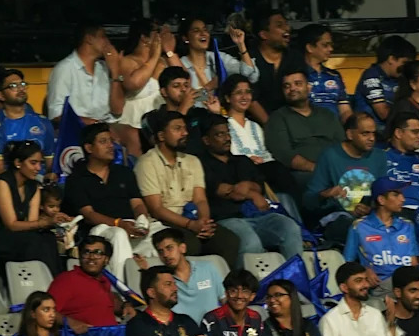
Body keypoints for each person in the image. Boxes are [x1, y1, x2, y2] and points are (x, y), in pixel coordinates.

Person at [135, 111, 239, 265]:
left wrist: (204, 222)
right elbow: (156, 208)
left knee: (229, 241)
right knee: (191, 245)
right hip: (165, 223)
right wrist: (191, 225)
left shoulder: (192, 161)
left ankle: (221, 285)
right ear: (162, 136)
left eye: (184, 128)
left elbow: (200, 199)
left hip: (193, 219)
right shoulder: (146, 163)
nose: (185, 133)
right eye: (177, 129)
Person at [194, 115, 303, 262]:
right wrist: (253, 194)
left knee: (290, 228)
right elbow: (224, 191)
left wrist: (249, 189)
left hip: (258, 216)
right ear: (206, 140)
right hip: (227, 219)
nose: (227, 138)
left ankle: (296, 279)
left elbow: (258, 186)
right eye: (220, 134)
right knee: (251, 243)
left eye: (228, 133)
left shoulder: (242, 160)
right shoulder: (200, 164)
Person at [62, 125, 151, 272]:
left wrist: (142, 219)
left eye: (111, 141)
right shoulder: (76, 179)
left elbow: (137, 203)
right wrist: (119, 224)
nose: (111, 145)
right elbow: (89, 215)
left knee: (163, 235)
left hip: (130, 225)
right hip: (100, 230)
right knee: (118, 235)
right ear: (89, 148)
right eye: (103, 141)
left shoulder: (124, 172)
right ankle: (123, 292)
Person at [305, 109, 387, 243]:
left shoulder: (379, 156)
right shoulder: (330, 156)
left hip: (372, 217)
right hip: (339, 219)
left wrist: (371, 208)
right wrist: (326, 193)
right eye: (365, 134)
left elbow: (383, 194)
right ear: (350, 134)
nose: (372, 138)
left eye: (373, 133)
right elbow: (309, 201)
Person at [265, 68, 343, 201]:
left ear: (309, 87)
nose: (292, 89)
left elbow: (343, 145)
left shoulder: (327, 115)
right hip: (303, 174)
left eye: (298, 83)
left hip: (335, 169)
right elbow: (285, 154)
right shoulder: (277, 118)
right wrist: (318, 170)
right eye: (287, 86)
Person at [0, 141, 54, 272]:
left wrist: (51, 221)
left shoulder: (34, 186)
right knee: (33, 242)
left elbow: (31, 223)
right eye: (33, 163)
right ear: (18, 163)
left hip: (17, 235)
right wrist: (43, 223)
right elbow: (11, 224)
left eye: (40, 163)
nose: (38, 168)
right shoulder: (2, 183)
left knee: (49, 238)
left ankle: (51, 283)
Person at [342, 177, 419, 283]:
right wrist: (364, 271)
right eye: (396, 195)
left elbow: (413, 263)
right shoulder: (359, 227)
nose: (403, 199)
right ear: (381, 200)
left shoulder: (407, 226)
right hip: (379, 286)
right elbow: (347, 265)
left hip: (406, 285)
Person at [46, 22, 124, 125]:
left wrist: (115, 71)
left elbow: (117, 110)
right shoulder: (64, 69)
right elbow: (56, 115)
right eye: (103, 37)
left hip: (107, 126)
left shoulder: (105, 67)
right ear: (89, 39)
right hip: (78, 129)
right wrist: (94, 125)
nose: (108, 42)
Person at [49, 230, 123, 334]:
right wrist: (69, 322)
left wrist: (125, 306)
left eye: (97, 253)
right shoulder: (67, 280)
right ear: (80, 256)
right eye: (86, 252)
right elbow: (46, 311)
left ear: (106, 259)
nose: (91, 257)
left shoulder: (105, 280)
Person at [151, 227, 224, 320]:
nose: (165, 255)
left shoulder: (207, 268)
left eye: (169, 248)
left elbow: (224, 299)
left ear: (182, 248)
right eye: (161, 251)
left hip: (213, 331)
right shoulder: (164, 280)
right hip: (183, 332)